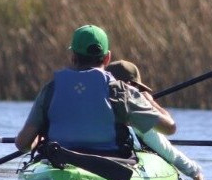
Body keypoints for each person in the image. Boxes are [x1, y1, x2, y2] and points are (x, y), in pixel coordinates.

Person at [14, 25, 177, 159]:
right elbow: (169, 128)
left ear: (73, 57)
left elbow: (22, 144)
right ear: (107, 58)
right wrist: (148, 100)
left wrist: (41, 137)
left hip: (60, 160)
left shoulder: (52, 89)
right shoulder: (122, 92)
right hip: (112, 162)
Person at [106, 59, 205, 180]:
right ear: (129, 86)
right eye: (138, 90)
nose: (139, 94)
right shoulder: (136, 118)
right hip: (118, 164)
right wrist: (196, 173)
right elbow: (169, 152)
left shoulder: (93, 105)